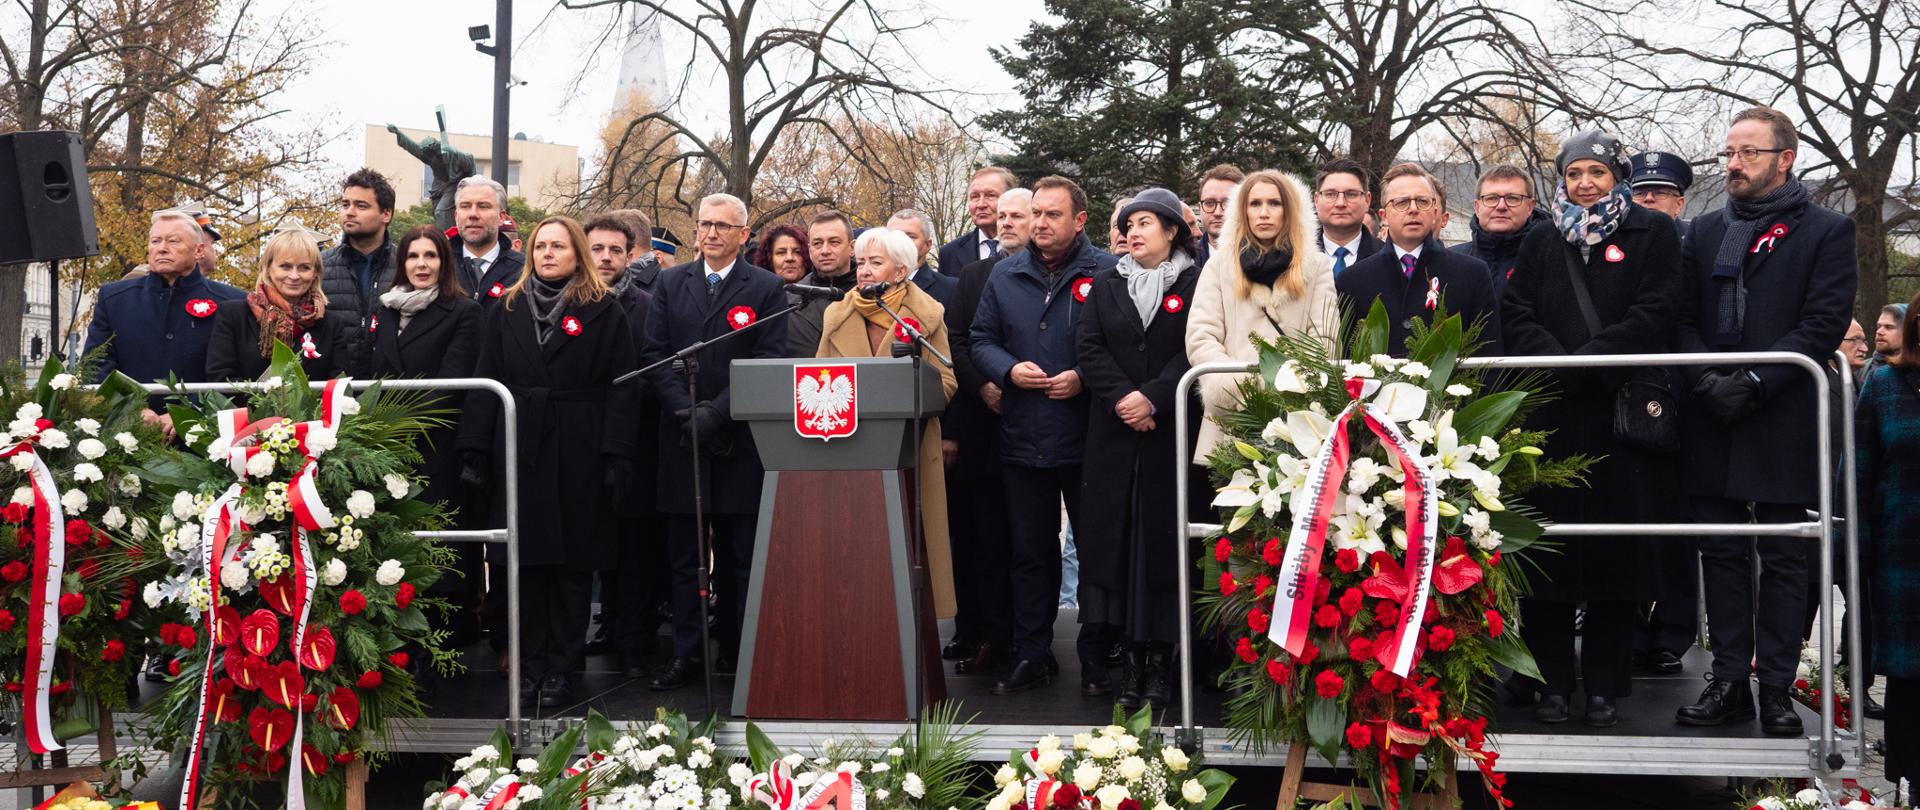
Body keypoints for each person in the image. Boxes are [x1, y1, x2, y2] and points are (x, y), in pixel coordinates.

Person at [1673, 106, 1857, 736]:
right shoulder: (1700, 232)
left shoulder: (1828, 230)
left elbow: (1824, 320)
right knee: (1720, 554)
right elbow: (1680, 317)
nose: (1734, 164)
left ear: (1785, 158)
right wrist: (1706, 379)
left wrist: (1755, 381)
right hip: (1711, 414)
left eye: (1748, 152)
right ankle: (1726, 680)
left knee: (1783, 557)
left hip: (1781, 413)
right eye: (1728, 153)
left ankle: (1775, 688)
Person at [1501, 131, 1685, 728]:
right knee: (1546, 557)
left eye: (1597, 173)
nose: (1585, 183)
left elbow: (1657, 309)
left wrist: (1595, 362)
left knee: (1616, 558)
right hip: (1552, 414)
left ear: (1616, 176)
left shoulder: (1651, 233)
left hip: (1617, 415)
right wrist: (1562, 366)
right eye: (1575, 172)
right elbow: (1517, 312)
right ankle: (1551, 683)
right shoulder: (1541, 237)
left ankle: (1605, 686)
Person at [457, 216, 642, 708]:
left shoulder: (604, 310)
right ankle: (526, 662)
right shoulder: (506, 308)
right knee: (523, 563)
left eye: (558, 246)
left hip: (579, 446)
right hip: (520, 446)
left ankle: (563, 666)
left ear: (576, 253)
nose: (547, 254)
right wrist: (475, 448)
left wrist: (615, 455)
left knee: (573, 565)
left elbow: (624, 387)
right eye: (540, 246)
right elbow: (485, 376)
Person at [969, 175, 1118, 695]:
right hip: (1023, 435)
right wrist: (1009, 371)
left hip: (1088, 439)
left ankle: (1097, 656)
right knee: (1030, 552)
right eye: (1036, 213)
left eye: (1053, 215)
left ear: (1079, 220)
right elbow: (980, 339)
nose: (1040, 224)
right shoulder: (1005, 275)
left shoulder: (1107, 271)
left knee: (1096, 550)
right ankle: (1033, 653)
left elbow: (1121, 345)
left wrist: (1083, 375)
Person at [641, 193, 790, 690]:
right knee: (684, 555)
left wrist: (717, 414)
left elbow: (768, 358)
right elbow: (655, 352)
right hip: (680, 436)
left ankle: (739, 651)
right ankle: (686, 653)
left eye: (723, 226)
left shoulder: (766, 287)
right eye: (705, 224)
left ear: (743, 235)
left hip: (738, 441)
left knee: (738, 555)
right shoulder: (669, 281)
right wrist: (685, 411)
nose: (711, 234)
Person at [1072, 187, 1206, 710]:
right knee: (1120, 550)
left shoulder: (1198, 284)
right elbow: (1088, 346)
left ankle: (1161, 664)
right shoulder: (1103, 284)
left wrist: (1153, 398)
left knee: (1165, 548)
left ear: (1172, 230)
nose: (1132, 232)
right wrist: (1124, 398)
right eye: (1127, 225)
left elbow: (1195, 346)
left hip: (1170, 433)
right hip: (1114, 439)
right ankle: (1128, 662)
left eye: (1145, 222)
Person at [816, 226, 960, 617]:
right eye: (861, 262)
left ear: (900, 271)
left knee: (907, 551)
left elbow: (946, 381)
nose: (864, 270)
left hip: (907, 453)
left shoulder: (926, 315)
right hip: (850, 453)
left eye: (875, 263)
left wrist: (900, 397)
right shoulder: (837, 314)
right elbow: (817, 382)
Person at [367, 224, 483, 646]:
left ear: (444, 263)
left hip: (438, 445)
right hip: (386, 449)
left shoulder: (464, 311)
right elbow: (371, 373)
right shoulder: (383, 310)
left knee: (438, 548)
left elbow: (452, 381)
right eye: (413, 256)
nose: (421, 264)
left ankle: (444, 639)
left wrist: (396, 421)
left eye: (430, 256)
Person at [1187, 170, 1339, 458]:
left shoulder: (1316, 266)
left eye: (1275, 203)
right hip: (1233, 416)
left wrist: (1288, 388)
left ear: (1290, 210)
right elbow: (1201, 336)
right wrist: (1237, 387)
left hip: (1299, 417)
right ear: (1243, 210)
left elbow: (1325, 340)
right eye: (1255, 204)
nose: (1264, 212)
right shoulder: (1219, 266)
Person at [945, 188, 1032, 677]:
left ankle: (1029, 640)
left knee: (1027, 539)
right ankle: (991, 635)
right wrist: (983, 386)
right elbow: (959, 340)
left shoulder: (1050, 275)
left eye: (1015, 215)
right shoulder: (974, 276)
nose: (1005, 224)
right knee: (984, 539)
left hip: (1040, 421)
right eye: (1000, 217)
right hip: (984, 423)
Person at [583, 213, 667, 677]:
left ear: (631, 255)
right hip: (580, 442)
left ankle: (635, 639)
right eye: (598, 249)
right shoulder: (568, 303)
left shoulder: (649, 305)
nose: (607, 257)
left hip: (637, 442)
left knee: (635, 548)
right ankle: (606, 624)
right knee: (595, 544)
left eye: (617, 250)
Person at [83, 210, 246, 432]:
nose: (161, 248)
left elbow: (233, 377)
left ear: (199, 251)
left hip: (203, 436)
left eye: (173, 241)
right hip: (128, 432)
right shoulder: (114, 299)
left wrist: (187, 413)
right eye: (155, 241)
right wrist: (132, 409)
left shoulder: (231, 302)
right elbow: (96, 366)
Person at [1855, 292, 1920, 779]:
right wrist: (1854, 551)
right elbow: (1855, 475)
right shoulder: (1883, 386)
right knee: (1908, 676)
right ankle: (1908, 783)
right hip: (1903, 552)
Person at [1336, 163, 1500, 355]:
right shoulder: (1352, 281)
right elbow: (1344, 357)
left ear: (1434, 213)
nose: (1413, 209)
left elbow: (1489, 354)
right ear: (1384, 216)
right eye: (1402, 202)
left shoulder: (1472, 274)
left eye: (1422, 202)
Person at [206, 228, 351, 382]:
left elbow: (337, 385)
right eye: (285, 266)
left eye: (304, 267)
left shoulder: (332, 324)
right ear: (268, 269)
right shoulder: (233, 315)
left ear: (315, 273)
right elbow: (220, 377)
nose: (294, 276)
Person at [320, 168, 397, 372]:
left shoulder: (407, 266)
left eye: (361, 206)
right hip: (330, 391)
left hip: (390, 393)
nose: (350, 211)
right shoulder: (319, 266)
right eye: (345, 204)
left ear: (386, 214)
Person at [1451, 165, 1549, 297]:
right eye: (1491, 198)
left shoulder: (1549, 261)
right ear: (1477, 207)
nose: (1501, 206)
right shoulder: (1450, 262)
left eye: (1512, 198)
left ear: (1530, 207)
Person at [786, 210, 861, 357]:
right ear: (809, 249)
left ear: (852, 248)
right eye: (817, 243)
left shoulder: (872, 296)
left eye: (834, 242)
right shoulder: (789, 301)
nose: (825, 251)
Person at [452, 176, 526, 304]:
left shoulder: (524, 270)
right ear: (456, 216)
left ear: (501, 217)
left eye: (483, 206)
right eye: (465, 206)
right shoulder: (439, 266)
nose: (473, 214)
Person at [938, 166, 1017, 275]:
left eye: (990, 195)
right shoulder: (949, 253)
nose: (981, 204)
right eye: (974, 196)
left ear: (1012, 200)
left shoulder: (1031, 249)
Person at [1313, 159, 1384, 274]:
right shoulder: (1293, 257)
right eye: (1330, 194)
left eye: (1351, 194)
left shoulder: (1388, 259)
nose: (1340, 203)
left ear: (1367, 200)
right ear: (1316, 200)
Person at [887, 209, 959, 309]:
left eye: (910, 237)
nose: (901, 242)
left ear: (928, 244)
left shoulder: (951, 289)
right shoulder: (870, 286)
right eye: (895, 236)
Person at [1628, 151, 1695, 238]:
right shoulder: (1615, 242)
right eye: (1639, 193)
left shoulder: (1695, 243)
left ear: (1678, 204)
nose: (1649, 198)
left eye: (1659, 193)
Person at [1195, 164, 1244, 266]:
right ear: (1200, 208)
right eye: (1209, 203)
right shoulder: (1185, 261)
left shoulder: (1266, 261)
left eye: (1227, 203)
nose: (1218, 212)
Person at [1866, 303, 1907, 379]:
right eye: (1878, 326)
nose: (1879, 332)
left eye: (1889, 327)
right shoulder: (1861, 369)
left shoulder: (1915, 370)